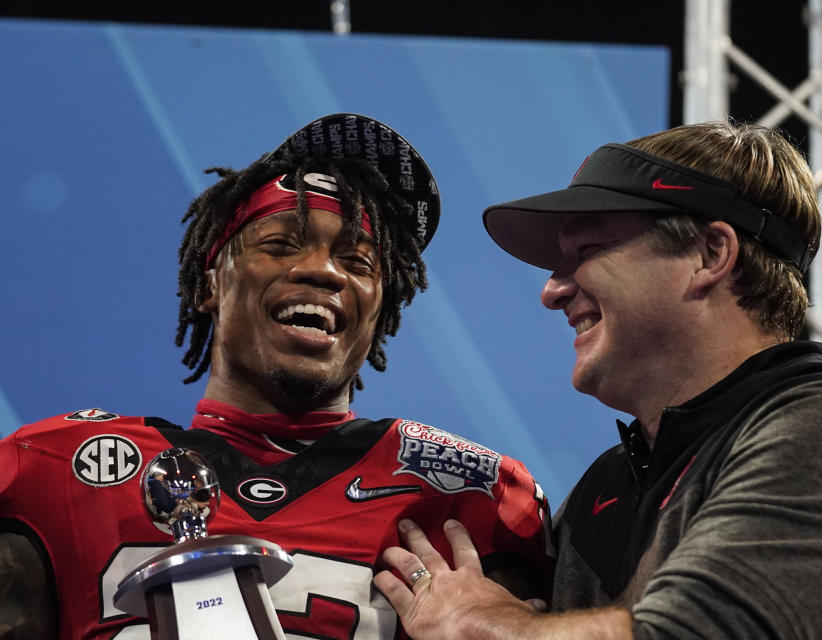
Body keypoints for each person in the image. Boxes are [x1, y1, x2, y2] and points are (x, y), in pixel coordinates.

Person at [373, 120, 822, 638]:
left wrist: (485, 625)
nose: (552, 290)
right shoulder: (607, 485)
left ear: (709, 253)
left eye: (587, 249)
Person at [0, 113, 551, 639]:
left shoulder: (472, 493)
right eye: (280, 244)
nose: (322, 269)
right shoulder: (51, 471)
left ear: (380, 309)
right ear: (209, 283)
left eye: (359, 261)